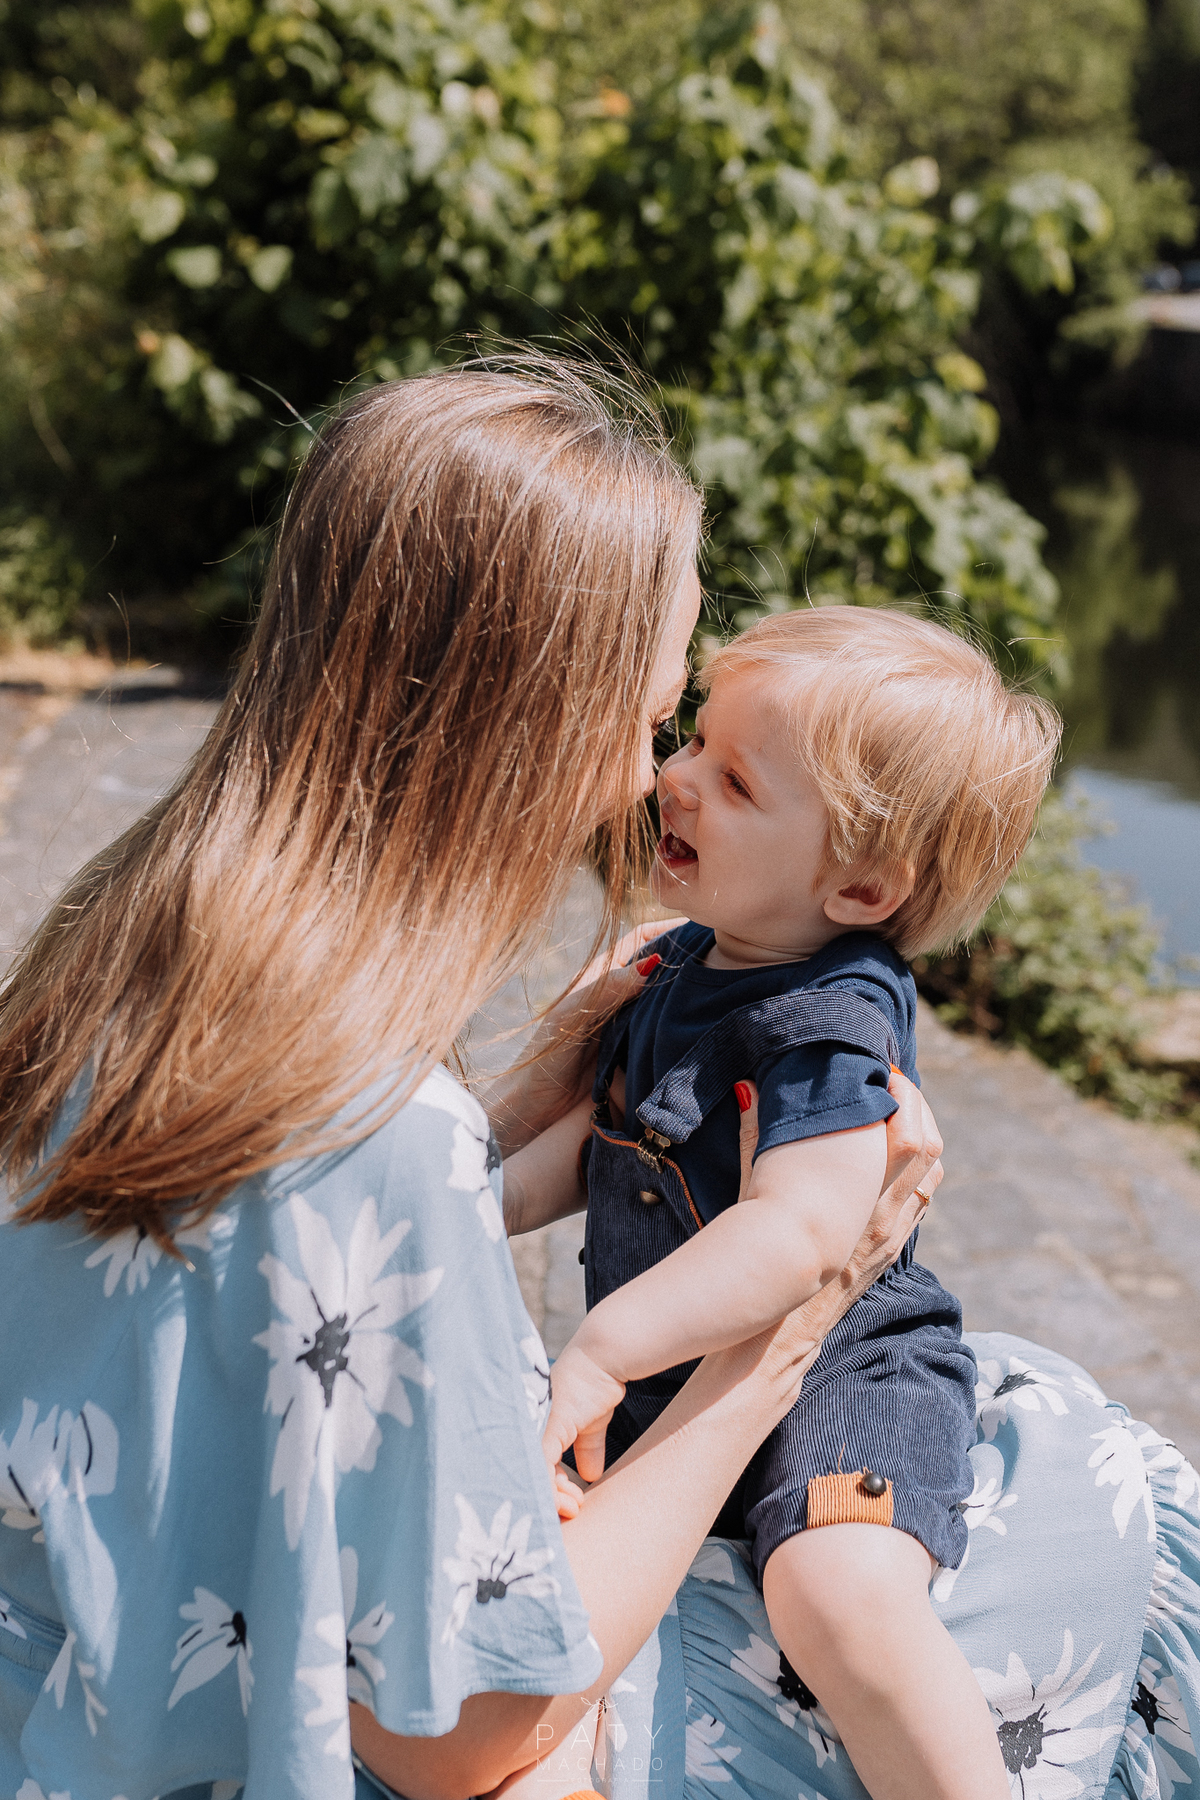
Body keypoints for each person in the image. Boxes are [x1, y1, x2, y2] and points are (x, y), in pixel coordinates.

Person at [0, 360, 945, 1800]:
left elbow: (293, 1297)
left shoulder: (133, 963)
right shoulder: (387, 1134)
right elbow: (465, 1739)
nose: (650, 780)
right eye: (648, 725)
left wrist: (518, 1096)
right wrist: (787, 1339)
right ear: (523, 722)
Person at [509, 608, 1059, 1799]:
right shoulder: (694, 961)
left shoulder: (827, 1023)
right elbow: (594, 1139)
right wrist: (456, 1204)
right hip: (686, 1374)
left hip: (846, 1380)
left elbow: (802, 1236)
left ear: (859, 885)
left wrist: (604, 1345)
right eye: (694, 742)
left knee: (836, 1594)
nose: (676, 777)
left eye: (736, 781)